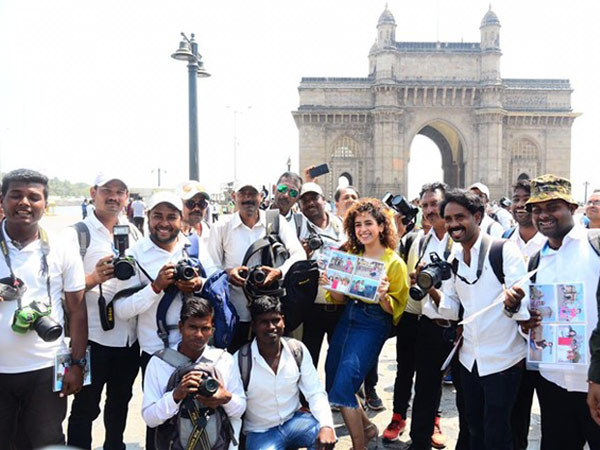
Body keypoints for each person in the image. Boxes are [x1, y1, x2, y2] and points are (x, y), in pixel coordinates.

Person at [426, 188, 530, 450]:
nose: (453, 225)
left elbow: (524, 304)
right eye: (447, 219)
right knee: (473, 429)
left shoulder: (503, 251)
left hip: (503, 360)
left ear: (478, 216)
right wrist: (429, 289)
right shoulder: (454, 259)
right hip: (469, 360)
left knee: (499, 433)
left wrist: (515, 301)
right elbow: (451, 309)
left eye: (459, 217)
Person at [0, 169, 87, 449]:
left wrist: (78, 364)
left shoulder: (62, 246)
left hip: (47, 368)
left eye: (34, 197)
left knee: (47, 442)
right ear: (2, 200)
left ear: (45, 205)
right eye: (16, 195)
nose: (24, 202)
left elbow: (77, 310)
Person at [113, 191, 207, 450]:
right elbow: (122, 310)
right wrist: (155, 287)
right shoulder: (135, 254)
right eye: (157, 216)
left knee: (199, 416)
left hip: (196, 349)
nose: (164, 223)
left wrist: (198, 283)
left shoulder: (194, 247)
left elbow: (216, 283)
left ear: (181, 218)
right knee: (159, 421)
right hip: (158, 355)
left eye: (171, 217)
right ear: (147, 217)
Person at [522, 175, 600, 449]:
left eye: (552, 206)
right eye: (537, 209)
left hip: (596, 382)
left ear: (572, 207)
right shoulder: (537, 259)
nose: (543, 215)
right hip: (553, 383)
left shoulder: (596, 246)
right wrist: (524, 320)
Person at [324, 198, 409, 450]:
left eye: (369, 223)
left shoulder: (394, 263)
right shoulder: (351, 255)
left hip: (373, 323)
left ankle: (359, 446)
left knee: (345, 384)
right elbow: (339, 299)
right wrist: (332, 284)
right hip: (348, 316)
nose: (363, 229)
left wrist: (383, 296)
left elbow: (396, 310)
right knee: (332, 380)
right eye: (358, 224)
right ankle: (369, 428)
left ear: (382, 226)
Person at [67, 173, 142, 450]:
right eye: (107, 190)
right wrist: (94, 278)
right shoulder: (77, 234)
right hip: (93, 340)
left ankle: (115, 445)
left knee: (120, 402)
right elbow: (63, 288)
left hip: (128, 338)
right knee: (85, 407)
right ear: (93, 192)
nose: (114, 196)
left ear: (127, 197)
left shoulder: (132, 231)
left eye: (120, 191)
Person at [383, 182, 453, 450]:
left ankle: (427, 429)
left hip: (448, 322)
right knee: (421, 379)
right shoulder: (422, 240)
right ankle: (418, 437)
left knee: (432, 381)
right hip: (423, 318)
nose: (429, 210)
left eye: (434, 204)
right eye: (424, 205)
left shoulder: (457, 237)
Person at [207, 180, 306, 353]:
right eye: (242, 194)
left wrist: (278, 272)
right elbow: (211, 266)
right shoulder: (222, 226)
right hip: (235, 312)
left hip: (269, 311)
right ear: (234, 197)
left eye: (252, 194)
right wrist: (228, 274)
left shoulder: (276, 221)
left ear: (261, 197)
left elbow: (299, 254)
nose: (247, 199)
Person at [142, 297, 246, 450]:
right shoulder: (160, 362)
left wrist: (225, 398)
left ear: (212, 330)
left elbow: (240, 409)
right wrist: (175, 396)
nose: (199, 334)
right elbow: (150, 418)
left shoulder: (223, 360)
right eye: (192, 327)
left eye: (205, 328)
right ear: (180, 327)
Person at [235, 296, 336, 450]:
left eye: (276, 320)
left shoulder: (297, 350)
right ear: (253, 326)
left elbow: (315, 392)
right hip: (261, 432)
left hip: (295, 422)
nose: (271, 327)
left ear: (283, 320)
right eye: (264, 322)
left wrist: (327, 426)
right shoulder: (240, 360)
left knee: (323, 436)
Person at [506, 180, 547, 450]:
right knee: (515, 416)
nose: (520, 204)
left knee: (554, 418)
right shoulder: (503, 240)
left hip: (546, 346)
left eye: (526, 199)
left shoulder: (553, 243)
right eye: (516, 198)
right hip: (512, 346)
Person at [296, 182, 346, 367]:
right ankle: (306, 397)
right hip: (311, 307)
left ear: (324, 200)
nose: (310, 203)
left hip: (340, 304)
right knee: (308, 361)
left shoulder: (342, 225)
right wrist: (303, 255)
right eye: (305, 200)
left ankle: (340, 397)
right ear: (299, 206)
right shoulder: (296, 227)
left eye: (314, 198)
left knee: (341, 360)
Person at [176, 180, 213, 262]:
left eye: (201, 204)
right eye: (190, 203)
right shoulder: (170, 234)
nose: (197, 208)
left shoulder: (213, 233)